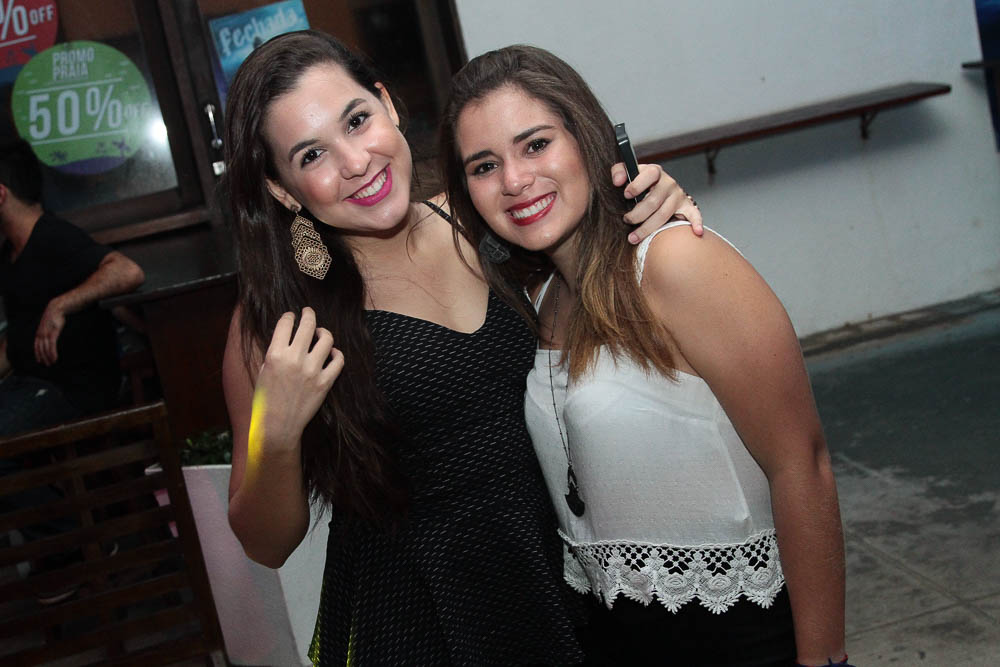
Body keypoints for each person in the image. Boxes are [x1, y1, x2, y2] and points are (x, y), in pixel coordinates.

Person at [220, 30, 701, 665]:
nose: (356, 162)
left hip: (561, 571)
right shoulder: (279, 320)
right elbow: (265, 543)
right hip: (418, 618)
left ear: (387, 104)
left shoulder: (486, 218)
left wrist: (656, 208)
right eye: (312, 155)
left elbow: (607, 262)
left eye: (357, 120)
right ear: (283, 189)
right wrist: (275, 435)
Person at [440, 45, 849, 667]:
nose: (514, 180)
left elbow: (804, 465)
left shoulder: (675, 262)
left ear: (587, 139)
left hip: (740, 640)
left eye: (536, 145)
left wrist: (825, 660)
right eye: (484, 165)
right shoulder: (539, 300)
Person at [0, 139, 145, 435]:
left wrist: (60, 305)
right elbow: (16, 341)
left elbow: (128, 271)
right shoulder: (10, 254)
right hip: (29, 384)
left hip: (72, 393)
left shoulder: (53, 236)